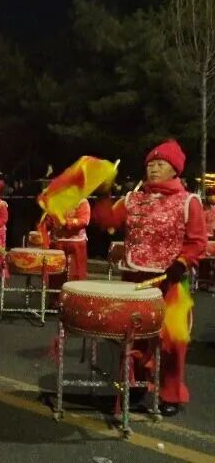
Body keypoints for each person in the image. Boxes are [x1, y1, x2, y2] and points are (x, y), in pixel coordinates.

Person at [93, 139, 206, 416]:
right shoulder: (133, 199)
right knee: (133, 335)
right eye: (150, 164)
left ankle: (170, 393)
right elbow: (107, 221)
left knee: (172, 340)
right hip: (135, 278)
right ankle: (134, 385)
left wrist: (181, 263)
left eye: (160, 164)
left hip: (170, 280)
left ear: (175, 169)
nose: (153, 168)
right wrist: (104, 194)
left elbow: (197, 241)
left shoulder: (188, 201)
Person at [48, 198, 91, 286]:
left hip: (76, 244)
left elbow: (84, 221)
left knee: (76, 274)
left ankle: (74, 294)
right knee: (56, 275)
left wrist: (66, 222)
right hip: (57, 242)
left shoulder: (81, 201)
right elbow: (48, 221)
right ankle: (56, 294)